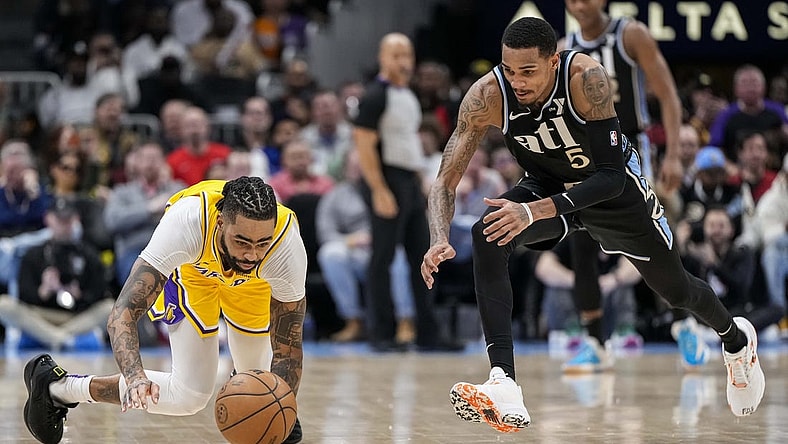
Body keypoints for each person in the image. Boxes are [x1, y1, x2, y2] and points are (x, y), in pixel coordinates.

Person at [420, 17, 764, 433]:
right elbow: (444, 181)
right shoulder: (487, 96)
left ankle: (736, 341)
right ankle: (504, 381)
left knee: (678, 290)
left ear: (553, 60)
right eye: (510, 71)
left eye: (528, 71)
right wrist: (438, 236)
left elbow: (611, 175)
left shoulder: (585, 78)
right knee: (488, 232)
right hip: (546, 186)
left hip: (612, 195)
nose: (518, 82)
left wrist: (536, 210)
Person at [22, 176, 306, 444]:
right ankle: (58, 388)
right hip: (194, 273)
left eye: (262, 243)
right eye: (242, 241)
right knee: (188, 396)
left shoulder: (285, 247)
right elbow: (123, 314)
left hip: (254, 287)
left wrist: (279, 406)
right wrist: (135, 377)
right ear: (220, 223)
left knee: (262, 387)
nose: (252, 254)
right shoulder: (186, 223)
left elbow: (288, 349)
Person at [560, 0, 694, 371]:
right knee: (581, 245)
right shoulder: (563, 48)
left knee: (653, 243)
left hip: (631, 147)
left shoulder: (630, 34)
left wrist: (671, 156)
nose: (577, 4)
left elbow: (667, 94)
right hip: (584, 156)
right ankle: (595, 339)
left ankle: (685, 322)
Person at [354, 32, 461, 352]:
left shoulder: (408, 95)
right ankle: (382, 333)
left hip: (409, 182)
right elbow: (364, 144)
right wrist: (378, 189)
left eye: (408, 55)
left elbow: (407, 142)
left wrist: (419, 181)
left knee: (423, 256)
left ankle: (428, 333)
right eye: (396, 55)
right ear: (383, 57)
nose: (403, 62)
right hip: (386, 178)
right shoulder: (375, 95)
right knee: (382, 259)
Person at [0, 197, 112, 350]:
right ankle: (65, 340)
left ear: (76, 219)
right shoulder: (34, 254)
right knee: (4, 305)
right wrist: (43, 290)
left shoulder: (89, 254)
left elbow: (99, 292)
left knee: (111, 308)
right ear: (48, 219)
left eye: (68, 219)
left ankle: (51, 338)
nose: (63, 224)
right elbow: (23, 296)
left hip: (76, 317)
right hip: (40, 316)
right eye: (59, 219)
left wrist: (80, 295)